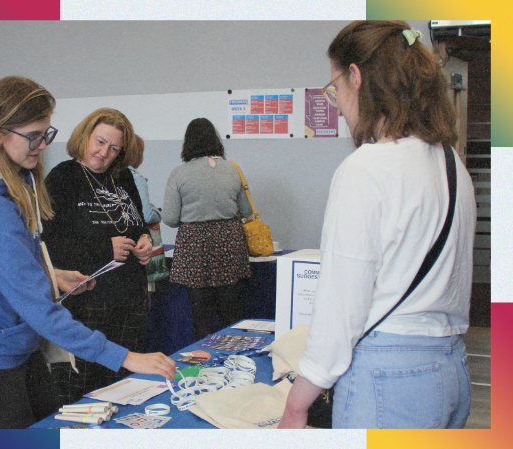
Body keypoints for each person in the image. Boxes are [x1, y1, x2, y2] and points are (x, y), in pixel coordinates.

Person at [0, 77, 175, 429]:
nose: (41, 145)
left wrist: (54, 276)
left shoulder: (18, 184)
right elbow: (37, 308)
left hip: (22, 352)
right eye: (33, 135)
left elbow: (10, 268)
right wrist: (125, 357)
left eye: (45, 134)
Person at [278, 21, 477, 429]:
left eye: (334, 87)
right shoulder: (452, 164)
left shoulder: (367, 168)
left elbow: (341, 306)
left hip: (389, 377)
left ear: (356, 76)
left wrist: (297, 403)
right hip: (451, 366)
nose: (335, 102)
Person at [41, 108, 155, 406]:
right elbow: (50, 244)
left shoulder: (124, 178)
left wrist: (145, 240)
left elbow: (137, 223)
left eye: (114, 148)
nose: (104, 153)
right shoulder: (63, 178)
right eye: (100, 142)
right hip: (88, 307)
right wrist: (105, 248)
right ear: (85, 136)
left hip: (129, 303)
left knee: (125, 389)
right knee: (86, 392)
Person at [162, 118, 253, 342]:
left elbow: (171, 218)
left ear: (188, 143)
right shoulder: (232, 169)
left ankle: (205, 365)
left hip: (195, 247)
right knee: (232, 313)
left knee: (201, 317)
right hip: (229, 242)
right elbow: (246, 211)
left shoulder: (179, 173)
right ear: (216, 140)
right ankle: (236, 361)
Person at [128, 135, 164, 300]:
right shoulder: (136, 178)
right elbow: (146, 216)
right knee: (144, 300)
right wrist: (158, 212)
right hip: (140, 248)